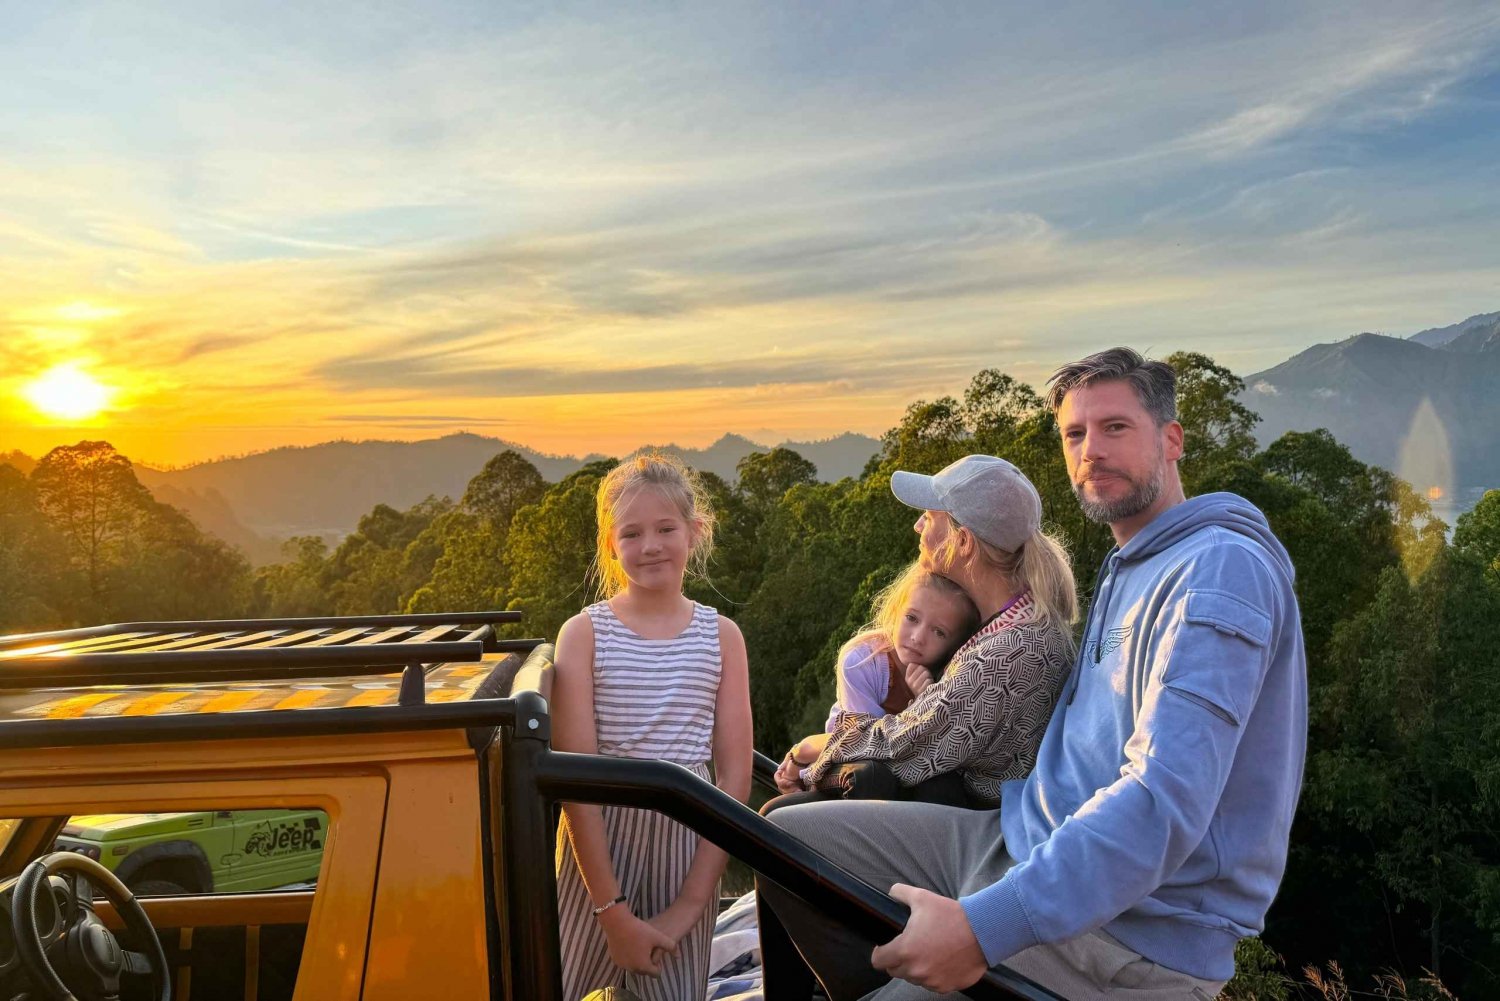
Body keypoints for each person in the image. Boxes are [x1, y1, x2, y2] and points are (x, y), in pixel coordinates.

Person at [759, 348, 1308, 1001]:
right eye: (1075, 434)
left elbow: (1163, 798)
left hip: (1125, 934)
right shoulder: (1131, 565)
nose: (1091, 450)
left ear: (1171, 440)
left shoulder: (1217, 571)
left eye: (1115, 427)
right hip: (1019, 838)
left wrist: (981, 928)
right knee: (780, 841)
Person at [756, 454, 1078, 997]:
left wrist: (815, 750)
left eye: (929, 516)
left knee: (771, 830)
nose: (917, 525)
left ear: (964, 542)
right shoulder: (1024, 622)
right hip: (968, 799)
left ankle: (863, 987)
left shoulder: (1003, 656)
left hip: (985, 823)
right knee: (779, 821)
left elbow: (903, 745)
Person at [552, 452, 753, 1001]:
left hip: (689, 838)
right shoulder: (583, 634)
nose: (651, 546)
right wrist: (611, 911)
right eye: (632, 533)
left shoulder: (722, 637)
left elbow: (734, 779)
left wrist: (690, 904)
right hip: (597, 846)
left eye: (666, 528)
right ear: (610, 543)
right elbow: (577, 780)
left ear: (694, 531)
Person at [768, 562, 981, 810]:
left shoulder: (953, 676)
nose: (917, 637)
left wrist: (927, 700)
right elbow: (866, 745)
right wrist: (806, 749)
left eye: (939, 632)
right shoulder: (863, 661)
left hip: (902, 771)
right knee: (872, 775)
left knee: (944, 787)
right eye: (912, 618)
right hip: (845, 764)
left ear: (955, 644)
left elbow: (939, 752)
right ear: (896, 610)